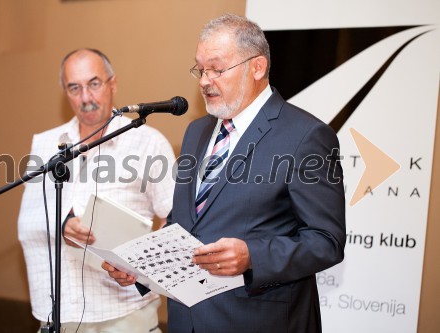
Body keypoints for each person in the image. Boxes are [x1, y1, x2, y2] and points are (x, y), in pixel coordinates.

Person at [104, 14, 346, 333]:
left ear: (257, 67)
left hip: (258, 322)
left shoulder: (305, 136)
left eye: (217, 69)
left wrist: (252, 257)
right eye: (200, 69)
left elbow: (326, 241)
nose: (204, 80)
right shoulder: (196, 132)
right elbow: (185, 224)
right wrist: (141, 269)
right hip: (187, 321)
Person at [18, 48, 175, 332]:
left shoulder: (148, 143)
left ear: (112, 83)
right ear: (65, 92)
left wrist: (142, 268)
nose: (86, 98)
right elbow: (28, 222)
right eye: (74, 88)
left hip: (124, 314)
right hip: (59, 313)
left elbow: (174, 220)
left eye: (94, 84)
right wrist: (62, 224)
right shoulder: (46, 144)